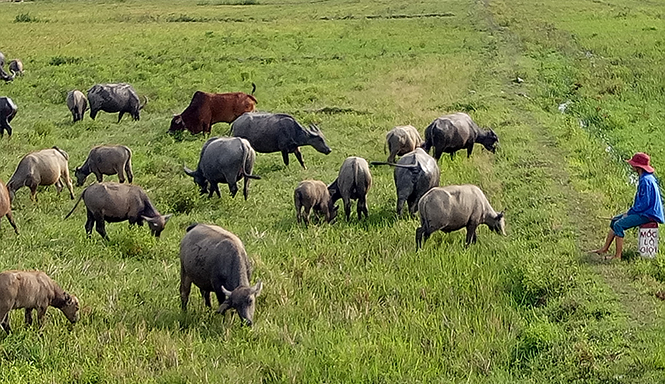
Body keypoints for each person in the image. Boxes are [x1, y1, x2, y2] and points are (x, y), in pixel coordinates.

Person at [591, 152, 664, 259]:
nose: (631, 166)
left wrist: (629, 213)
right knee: (614, 220)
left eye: (633, 164)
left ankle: (618, 256)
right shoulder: (647, 177)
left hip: (648, 214)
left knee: (619, 225)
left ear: (638, 167)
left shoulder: (645, 181)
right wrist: (629, 213)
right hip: (646, 211)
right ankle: (604, 249)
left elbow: (644, 204)